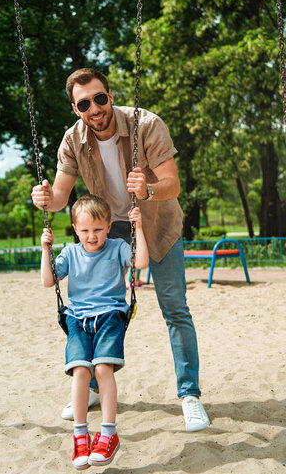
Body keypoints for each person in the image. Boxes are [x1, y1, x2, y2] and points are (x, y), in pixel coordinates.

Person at [32, 67, 210, 432]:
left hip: (158, 224)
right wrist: (45, 200)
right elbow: (62, 195)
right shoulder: (72, 140)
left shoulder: (147, 124)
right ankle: (94, 387)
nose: (94, 108)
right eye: (85, 104)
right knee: (99, 306)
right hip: (108, 229)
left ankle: (189, 395)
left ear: (110, 95)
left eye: (100, 98)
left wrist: (147, 190)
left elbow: (173, 185)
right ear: (75, 108)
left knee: (175, 307)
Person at [41, 194, 149, 469]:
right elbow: (47, 280)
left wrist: (139, 229)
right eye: (85, 230)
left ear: (109, 226)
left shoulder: (117, 247)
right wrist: (46, 249)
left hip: (110, 315)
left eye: (98, 229)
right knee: (80, 371)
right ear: (76, 229)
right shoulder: (70, 252)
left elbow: (141, 264)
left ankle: (109, 432)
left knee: (102, 369)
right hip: (77, 319)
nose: (92, 236)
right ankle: (80, 436)